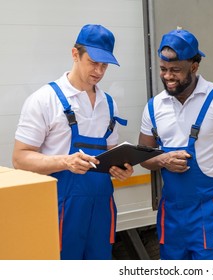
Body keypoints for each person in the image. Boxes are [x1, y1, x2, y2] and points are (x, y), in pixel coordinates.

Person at [12, 24, 134, 260]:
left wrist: (121, 169)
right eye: (93, 62)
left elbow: (110, 154)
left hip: (101, 209)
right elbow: (20, 158)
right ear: (75, 54)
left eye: (105, 65)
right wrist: (65, 162)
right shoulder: (44, 100)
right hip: (60, 210)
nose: (99, 71)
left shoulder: (109, 104)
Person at [138, 29, 213, 260]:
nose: (168, 76)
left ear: (194, 66)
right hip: (172, 216)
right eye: (163, 69)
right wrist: (161, 160)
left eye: (176, 70)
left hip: (211, 212)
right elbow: (143, 155)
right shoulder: (154, 106)